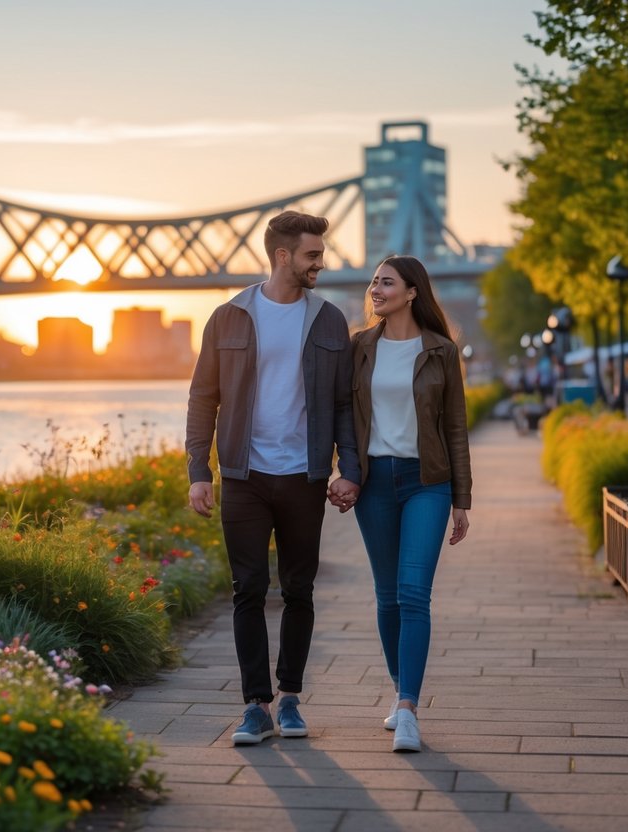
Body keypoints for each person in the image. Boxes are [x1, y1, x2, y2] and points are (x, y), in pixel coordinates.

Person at [186, 210, 361, 746]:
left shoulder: (329, 319)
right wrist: (200, 471)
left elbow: (343, 404)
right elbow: (203, 396)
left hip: (304, 476)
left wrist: (347, 469)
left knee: (299, 590)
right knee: (248, 590)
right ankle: (254, 707)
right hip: (244, 475)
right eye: (312, 255)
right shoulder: (229, 316)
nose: (321, 264)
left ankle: (289, 700)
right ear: (283, 256)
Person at [328, 254, 471, 753]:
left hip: (425, 482)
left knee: (413, 592)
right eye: (373, 282)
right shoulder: (359, 347)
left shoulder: (440, 352)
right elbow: (343, 417)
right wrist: (345, 472)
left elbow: (455, 428)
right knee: (386, 595)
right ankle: (398, 689)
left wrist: (461, 500)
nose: (375, 289)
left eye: (386, 282)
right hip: (374, 484)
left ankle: (408, 709)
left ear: (413, 292)